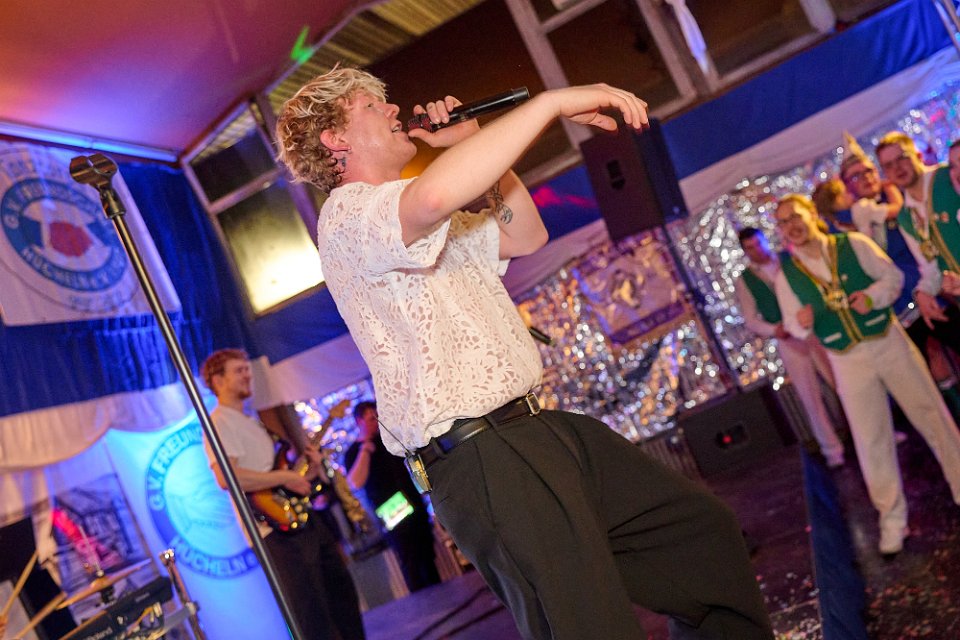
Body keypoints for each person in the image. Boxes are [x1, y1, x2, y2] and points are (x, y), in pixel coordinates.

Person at [275, 66, 773, 639]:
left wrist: (469, 142)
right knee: (590, 626)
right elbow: (432, 193)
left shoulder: (423, 218)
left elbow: (525, 235)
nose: (393, 109)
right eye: (372, 105)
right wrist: (551, 103)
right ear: (335, 139)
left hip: (535, 429)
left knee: (700, 537)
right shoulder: (347, 216)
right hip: (479, 455)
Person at [771, 194, 960, 556]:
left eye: (795, 216)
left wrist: (872, 297)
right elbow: (792, 322)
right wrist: (800, 323)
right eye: (783, 222)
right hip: (846, 357)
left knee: (930, 412)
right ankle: (892, 520)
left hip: (887, 340)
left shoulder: (853, 244)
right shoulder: (787, 276)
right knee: (870, 438)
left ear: (812, 214)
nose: (791, 226)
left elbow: (893, 276)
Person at [200, 348, 365, 640]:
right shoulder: (219, 423)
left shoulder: (251, 420)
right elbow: (227, 478)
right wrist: (285, 477)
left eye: (247, 369)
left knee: (341, 593)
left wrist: (309, 470)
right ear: (218, 380)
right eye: (239, 371)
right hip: (273, 529)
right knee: (311, 613)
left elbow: (284, 477)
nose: (247, 375)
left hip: (299, 517)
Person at [735, 227, 845, 467]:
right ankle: (832, 450)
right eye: (750, 248)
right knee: (810, 398)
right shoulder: (746, 280)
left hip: (815, 330)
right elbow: (750, 319)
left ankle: (866, 434)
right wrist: (774, 330)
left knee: (843, 382)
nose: (756, 250)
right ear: (744, 251)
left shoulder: (789, 258)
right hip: (789, 340)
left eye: (758, 244)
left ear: (765, 241)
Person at [344, 401, 441, 592]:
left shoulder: (389, 439)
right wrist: (365, 449)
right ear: (359, 422)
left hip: (413, 500)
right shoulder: (354, 451)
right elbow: (355, 482)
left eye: (377, 417)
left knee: (427, 552)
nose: (376, 422)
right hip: (390, 508)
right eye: (371, 419)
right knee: (409, 558)